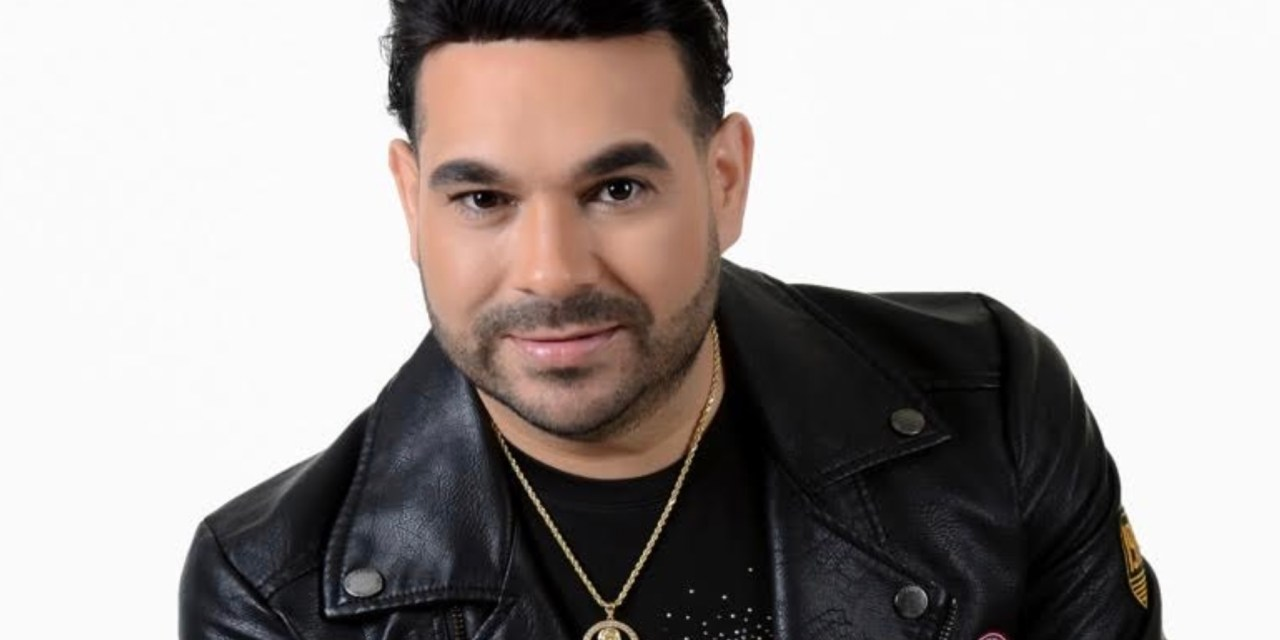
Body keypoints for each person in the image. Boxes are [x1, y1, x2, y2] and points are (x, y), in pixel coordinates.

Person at [178, 1, 1164, 638]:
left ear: (723, 178)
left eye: (616, 189)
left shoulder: (989, 406)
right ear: (410, 201)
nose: (552, 271)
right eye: (482, 199)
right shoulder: (276, 591)